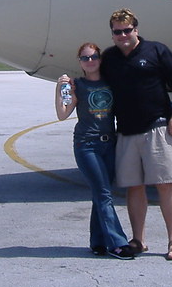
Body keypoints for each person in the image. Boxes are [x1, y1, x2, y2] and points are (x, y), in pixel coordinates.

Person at [101, 8, 172, 261]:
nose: (123, 35)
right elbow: (97, 82)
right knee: (134, 186)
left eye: (127, 30)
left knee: (165, 183)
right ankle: (138, 240)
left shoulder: (156, 51)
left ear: (136, 30)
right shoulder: (110, 58)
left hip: (157, 127)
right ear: (112, 34)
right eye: (117, 32)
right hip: (126, 131)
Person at [56, 42, 135, 260]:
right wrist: (59, 90)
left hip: (109, 144)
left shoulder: (110, 83)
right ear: (80, 62)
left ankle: (98, 241)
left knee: (101, 193)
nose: (90, 61)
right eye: (85, 58)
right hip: (87, 144)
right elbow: (62, 114)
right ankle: (118, 243)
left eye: (93, 57)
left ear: (100, 59)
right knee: (103, 193)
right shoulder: (77, 85)